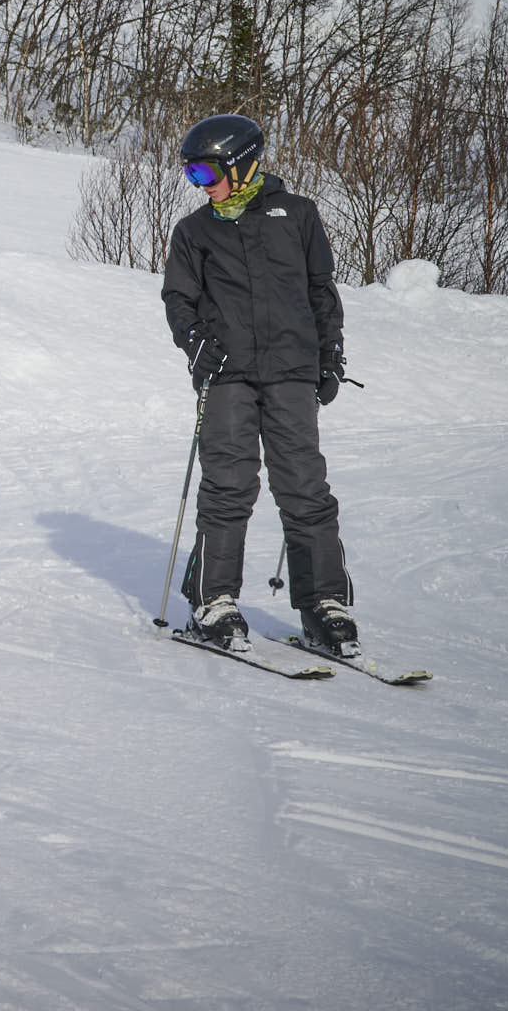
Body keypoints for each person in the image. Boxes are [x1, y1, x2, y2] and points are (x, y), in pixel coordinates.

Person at [160, 113, 358, 657]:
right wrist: (198, 344)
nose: (201, 186)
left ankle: (325, 604)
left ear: (244, 165)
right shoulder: (194, 232)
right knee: (228, 486)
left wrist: (330, 354)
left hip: (292, 372)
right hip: (227, 376)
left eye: (206, 173)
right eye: (192, 176)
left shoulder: (297, 216)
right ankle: (214, 601)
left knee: (304, 488)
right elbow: (177, 300)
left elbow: (321, 291)